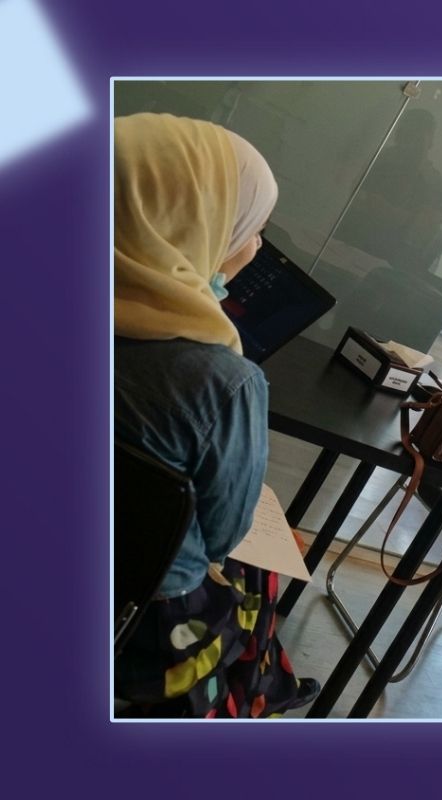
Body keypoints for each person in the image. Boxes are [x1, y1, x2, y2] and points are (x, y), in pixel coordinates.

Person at [113, 112, 318, 717]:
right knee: (257, 568)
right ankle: (245, 696)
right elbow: (223, 535)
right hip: (139, 630)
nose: (254, 246)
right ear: (189, 224)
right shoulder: (223, 383)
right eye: (247, 226)